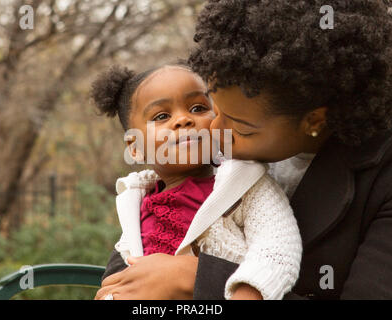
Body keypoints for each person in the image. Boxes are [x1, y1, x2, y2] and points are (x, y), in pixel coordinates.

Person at [96, 0, 392, 299]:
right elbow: (139, 240)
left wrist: (199, 280)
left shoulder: (391, 174)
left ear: (314, 120)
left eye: (239, 126)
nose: (212, 131)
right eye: (214, 108)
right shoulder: (205, 151)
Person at [91, 63, 302, 300]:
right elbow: (118, 284)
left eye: (198, 108)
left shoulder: (246, 184)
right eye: (162, 116)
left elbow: (277, 249)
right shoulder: (137, 204)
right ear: (135, 148)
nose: (183, 120)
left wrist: (248, 293)